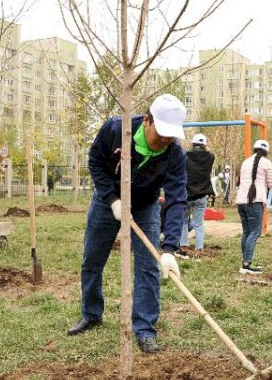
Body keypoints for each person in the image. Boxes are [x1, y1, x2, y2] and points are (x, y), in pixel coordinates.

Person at [67, 94, 187, 354]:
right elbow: (96, 162)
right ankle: (91, 313)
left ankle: (144, 329)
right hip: (106, 202)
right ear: (147, 120)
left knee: (148, 267)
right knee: (92, 260)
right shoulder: (116, 129)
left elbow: (177, 199)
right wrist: (112, 200)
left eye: (171, 136)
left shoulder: (175, 153)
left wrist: (169, 249)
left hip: (145, 206)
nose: (165, 140)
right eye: (162, 133)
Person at [235, 140, 272, 274]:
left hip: (241, 201)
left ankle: (244, 262)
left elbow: (240, 181)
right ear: (266, 151)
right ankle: (246, 265)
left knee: (247, 232)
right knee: (255, 232)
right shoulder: (266, 163)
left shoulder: (245, 162)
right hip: (255, 201)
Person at [177, 133, 215, 259]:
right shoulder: (210, 157)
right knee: (199, 224)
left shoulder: (185, 156)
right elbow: (209, 154)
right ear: (204, 145)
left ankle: (183, 249)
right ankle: (199, 250)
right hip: (201, 195)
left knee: (183, 222)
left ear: (193, 144)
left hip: (187, 195)